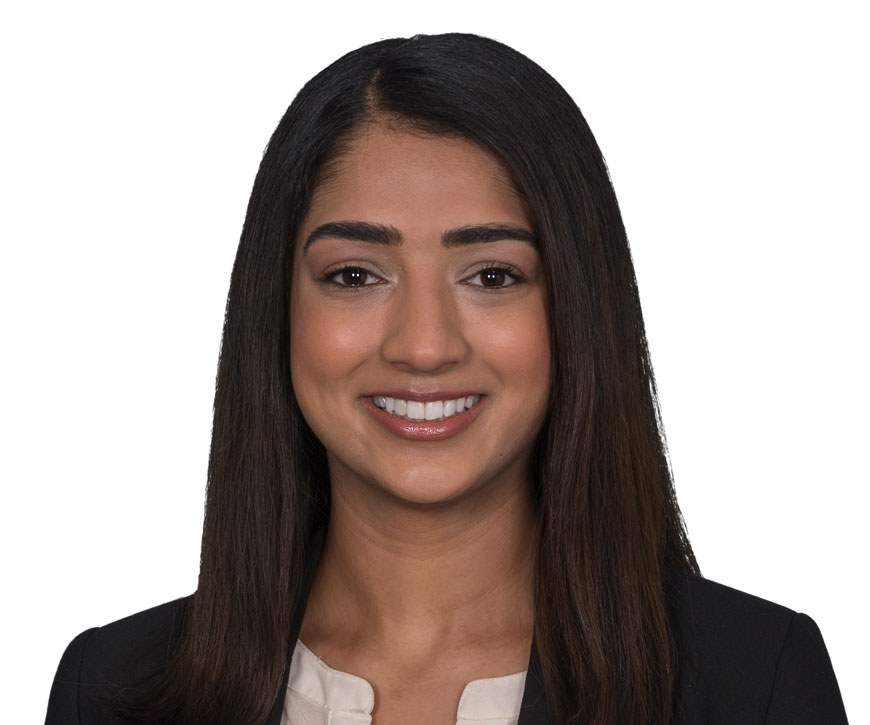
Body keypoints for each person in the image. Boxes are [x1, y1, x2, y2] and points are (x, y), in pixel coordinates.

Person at [45, 33, 848, 725]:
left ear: (577, 308)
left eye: (492, 275)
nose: (424, 347)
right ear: (277, 309)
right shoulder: (108, 688)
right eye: (356, 275)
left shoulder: (753, 683)